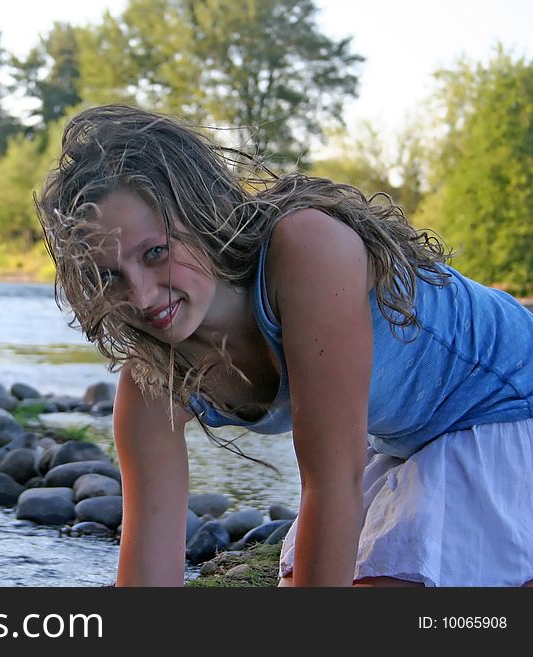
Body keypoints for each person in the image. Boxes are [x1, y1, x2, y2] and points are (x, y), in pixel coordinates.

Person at [35, 104, 533, 587]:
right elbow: (149, 578)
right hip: (410, 442)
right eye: (109, 276)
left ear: (200, 211)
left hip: (507, 401)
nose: (142, 296)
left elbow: (332, 481)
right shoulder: (152, 380)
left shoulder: (309, 248)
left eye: (157, 252)